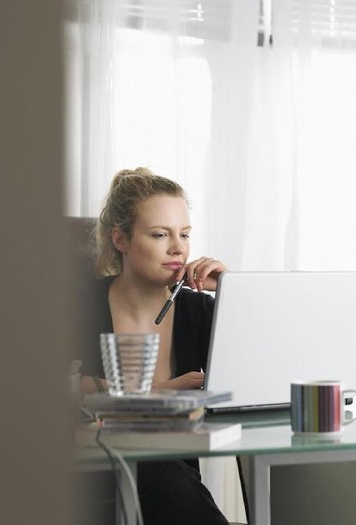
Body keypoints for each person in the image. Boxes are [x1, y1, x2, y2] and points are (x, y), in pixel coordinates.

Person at [76, 167, 230, 525]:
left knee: (170, 474)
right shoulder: (79, 304)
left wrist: (231, 292)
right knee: (164, 473)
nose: (179, 248)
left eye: (185, 234)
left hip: (177, 486)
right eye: (160, 234)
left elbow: (264, 374)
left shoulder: (200, 311)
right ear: (121, 240)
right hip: (96, 478)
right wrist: (157, 392)